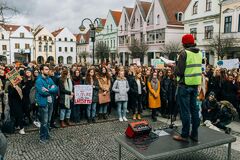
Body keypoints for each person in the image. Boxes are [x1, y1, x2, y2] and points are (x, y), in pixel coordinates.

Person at [174, 34, 202, 142]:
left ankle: (184, 135)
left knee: (185, 111)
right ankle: (194, 134)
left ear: (184, 43)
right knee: (194, 110)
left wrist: (174, 67)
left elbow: (179, 72)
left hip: (184, 86)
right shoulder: (199, 53)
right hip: (194, 85)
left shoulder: (184, 53)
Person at [35, 64, 58, 143]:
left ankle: (47, 134)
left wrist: (48, 90)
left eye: (48, 69)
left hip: (50, 102)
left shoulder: (49, 79)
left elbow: (56, 88)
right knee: (44, 122)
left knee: (48, 121)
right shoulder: (38, 80)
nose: (47, 71)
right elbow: (42, 92)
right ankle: (42, 138)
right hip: (43, 103)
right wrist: (50, 90)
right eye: (46, 69)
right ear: (41, 71)